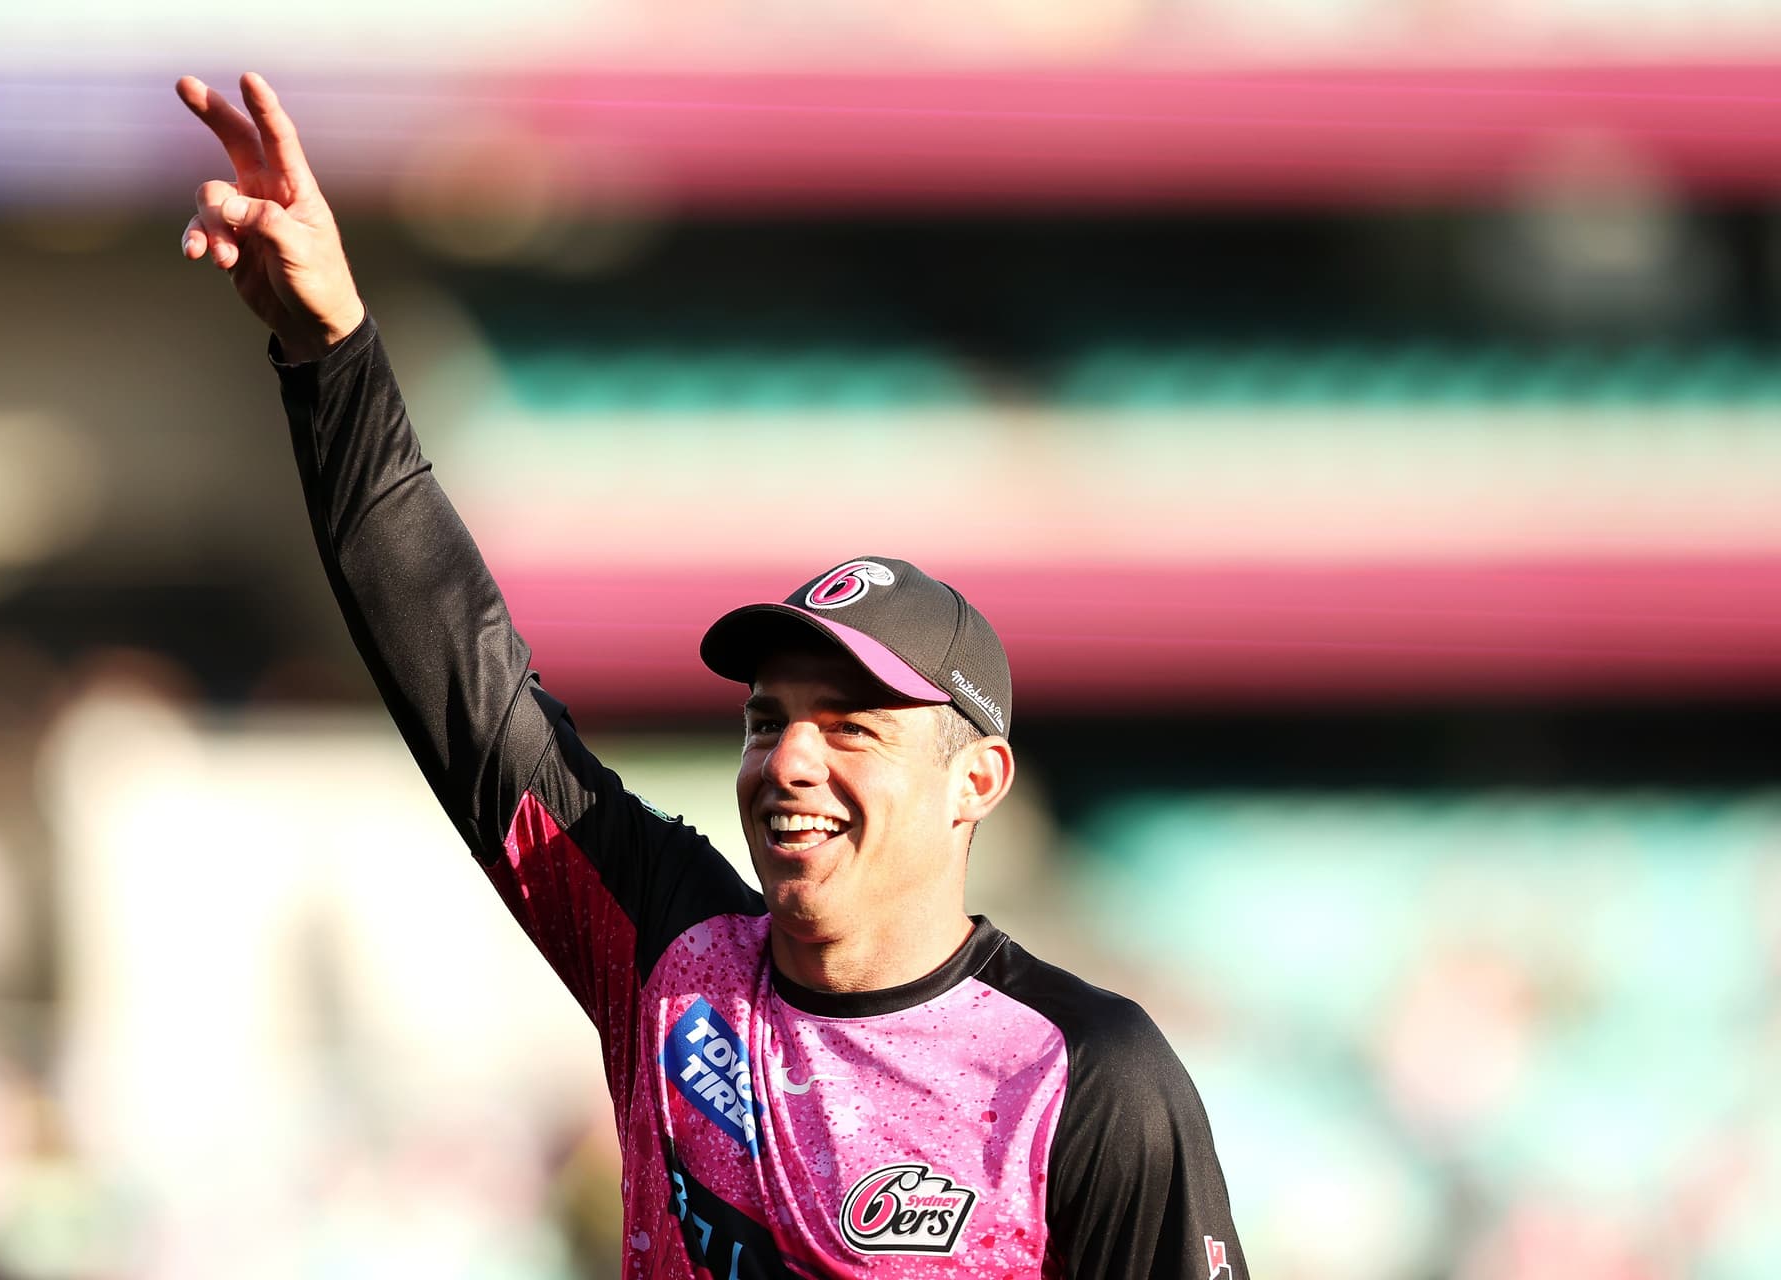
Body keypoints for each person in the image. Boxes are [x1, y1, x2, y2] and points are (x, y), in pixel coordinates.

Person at [177, 72, 1250, 1279]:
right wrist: (331, 356)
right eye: (766, 718)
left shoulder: (1089, 1076)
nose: (790, 757)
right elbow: (462, 683)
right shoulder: (667, 954)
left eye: (852, 726)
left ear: (977, 777)